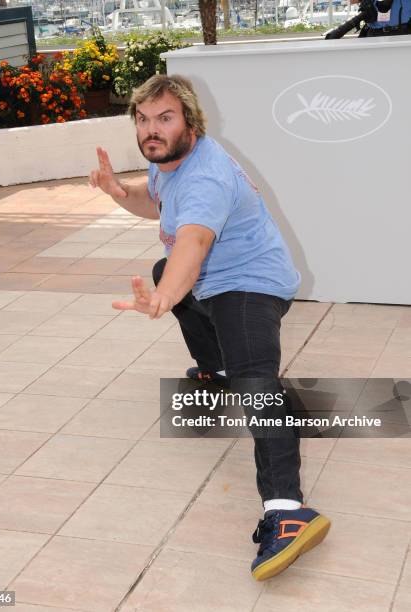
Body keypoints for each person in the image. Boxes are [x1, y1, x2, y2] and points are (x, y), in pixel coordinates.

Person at [89, 74, 331, 581]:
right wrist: (116, 190)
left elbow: (193, 245)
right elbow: (153, 201)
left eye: (165, 118)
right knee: (166, 273)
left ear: (191, 124)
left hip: (250, 285)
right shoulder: (170, 163)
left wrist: (165, 296)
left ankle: (287, 510)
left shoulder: (204, 177)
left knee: (257, 384)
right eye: (144, 119)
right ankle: (215, 366)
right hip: (215, 283)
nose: (151, 130)